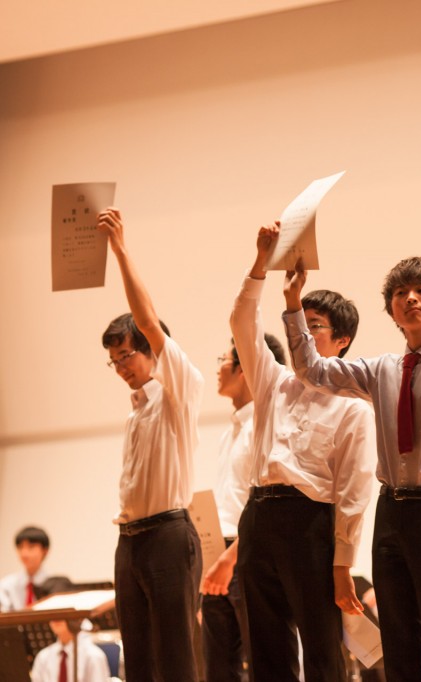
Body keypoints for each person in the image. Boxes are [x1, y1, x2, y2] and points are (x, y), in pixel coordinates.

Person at [285, 250, 421, 681]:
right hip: (391, 508)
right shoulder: (381, 369)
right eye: (400, 293)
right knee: (397, 636)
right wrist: (292, 305)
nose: (410, 298)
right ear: (392, 311)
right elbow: (312, 371)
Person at [229, 224, 375, 682]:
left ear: (343, 340)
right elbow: (240, 321)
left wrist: (343, 564)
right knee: (266, 646)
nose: (301, 336)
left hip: (311, 523)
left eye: (313, 327)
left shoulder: (353, 403)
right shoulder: (273, 380)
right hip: (258, 515)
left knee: (320, 645)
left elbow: (354, 492)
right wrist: (262, 263)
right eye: (297, 324)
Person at [98, 207, 204, 681]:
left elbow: (148, 319)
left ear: (152, 352)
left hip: (167, 535)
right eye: (114, 360)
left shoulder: (177, 391)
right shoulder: (136, 410)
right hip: (130, 539)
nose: (121, 365)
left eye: (127, 355)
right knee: (137, 659)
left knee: (177, 658)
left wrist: (120, 250)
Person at [199, 334, 284, 682]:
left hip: (247, 557)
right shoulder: (228, 432)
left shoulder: (264, 427)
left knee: (266, 663)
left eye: (225, 359)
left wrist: (230, 559)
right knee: (219, 670)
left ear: (245, 368)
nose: (219, 367)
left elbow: (262, 510)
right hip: (219, 557)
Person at [29, 620, 110, 682]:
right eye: (53, 615)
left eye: (62, 615)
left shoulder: (93, 655)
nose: (56, 620)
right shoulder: (43, 656)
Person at [0, 527, 50, 612]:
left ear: (45, 551)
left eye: (31, 547)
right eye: (20, 547)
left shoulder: (53, 585)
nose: (24, 554)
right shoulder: (6, 585)